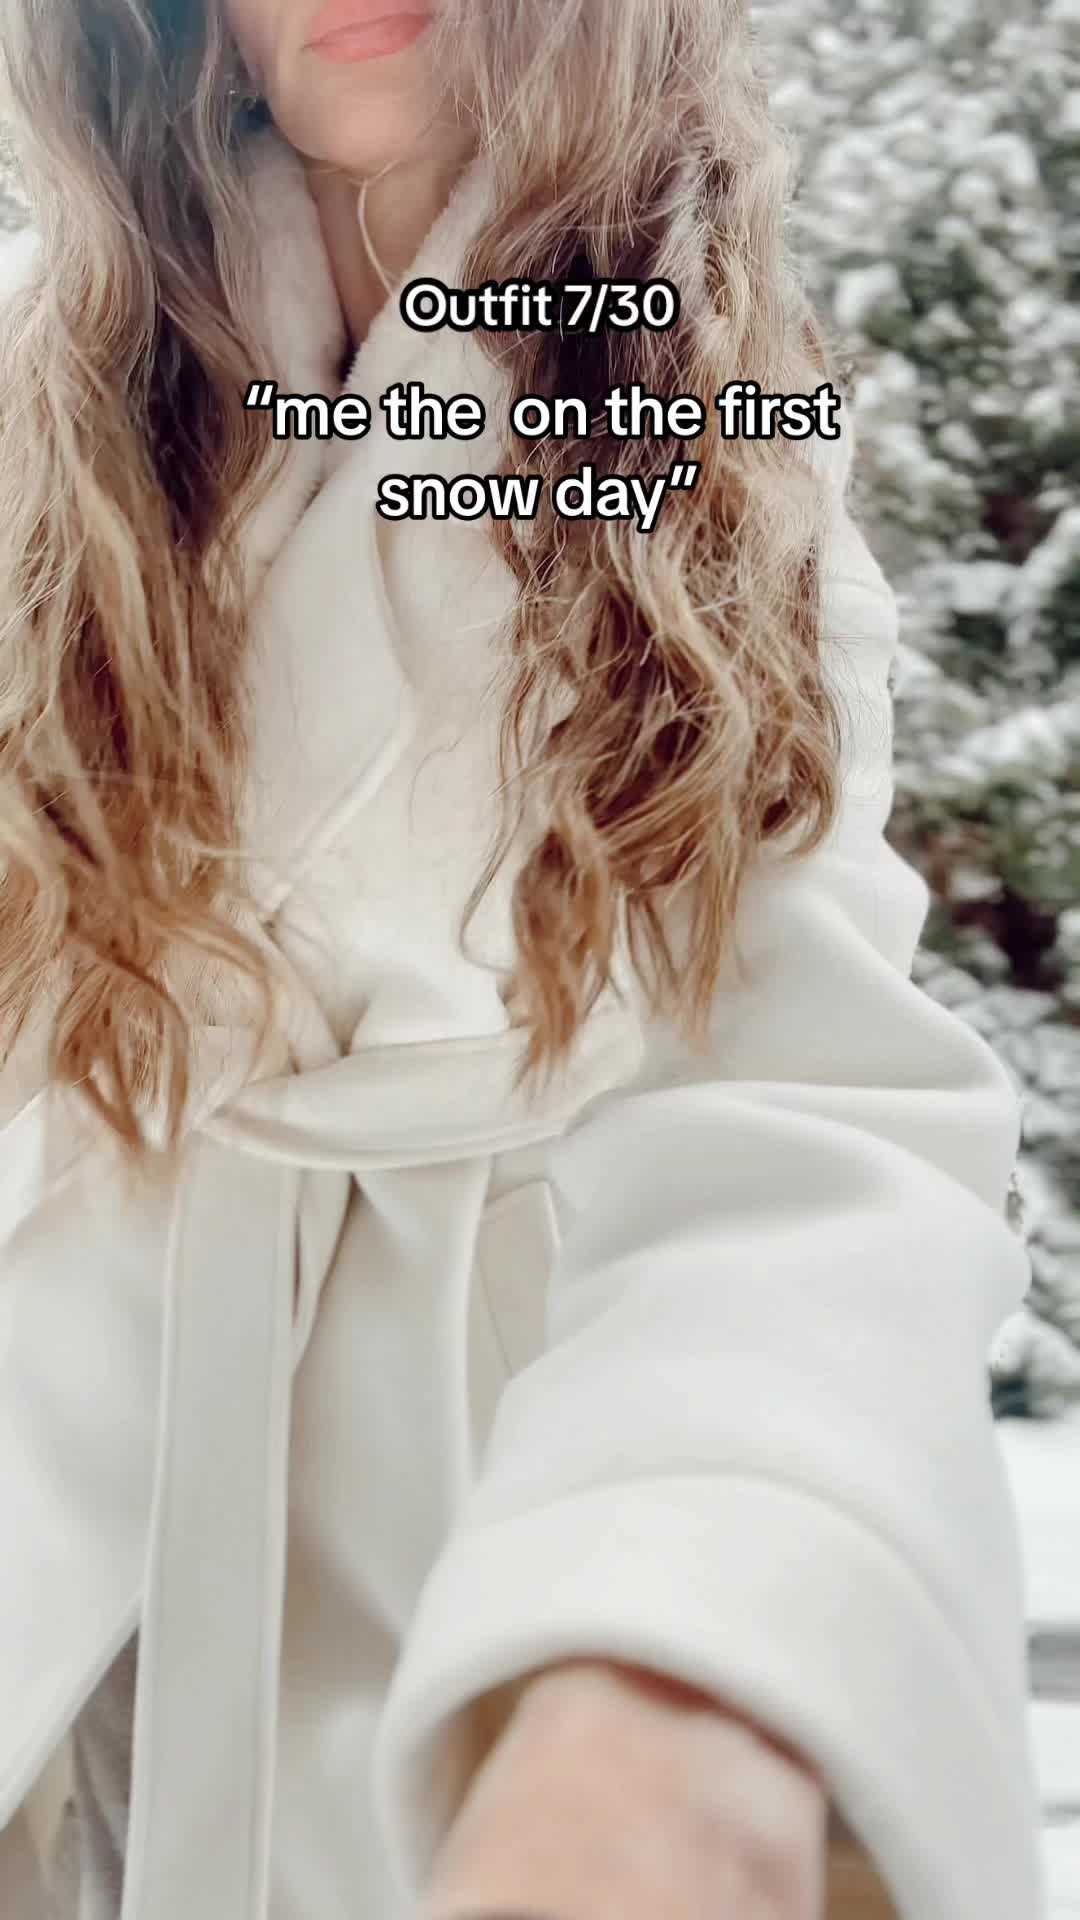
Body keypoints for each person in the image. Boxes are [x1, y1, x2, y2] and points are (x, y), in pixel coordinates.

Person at [0, 2, 1044, 1917]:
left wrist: (682, 1665)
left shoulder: (712, 443)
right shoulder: (34, 404)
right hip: (71, 1496)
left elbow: (802, 1090)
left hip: (517, 1464)